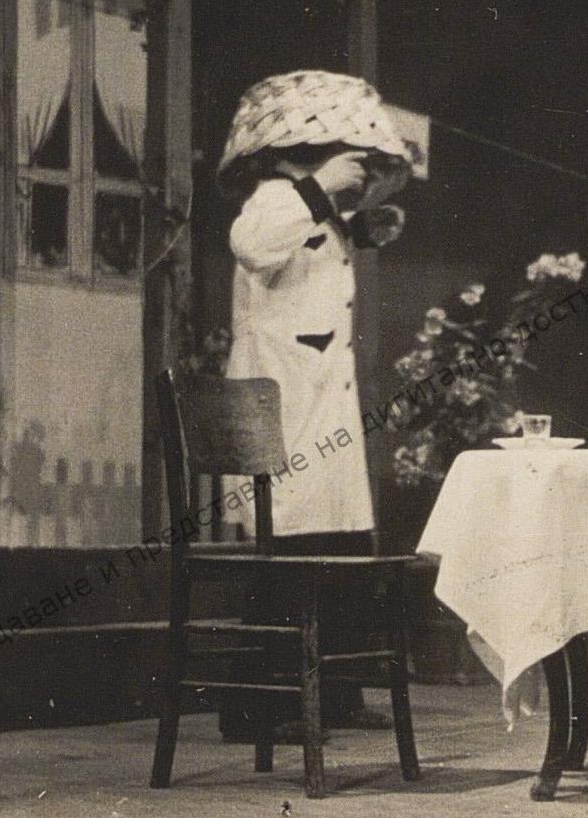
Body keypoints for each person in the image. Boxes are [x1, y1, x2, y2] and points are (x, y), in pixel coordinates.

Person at [214, 70, 412, 738]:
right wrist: (319, 189)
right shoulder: (276, 197)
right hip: (283, 409)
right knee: (292, 553)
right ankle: (257, 705)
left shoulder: (313, 208)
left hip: (322, 408)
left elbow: (313, 261)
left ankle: (334, 692)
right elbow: (254, 244)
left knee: (342, 548)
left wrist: (362, 225)